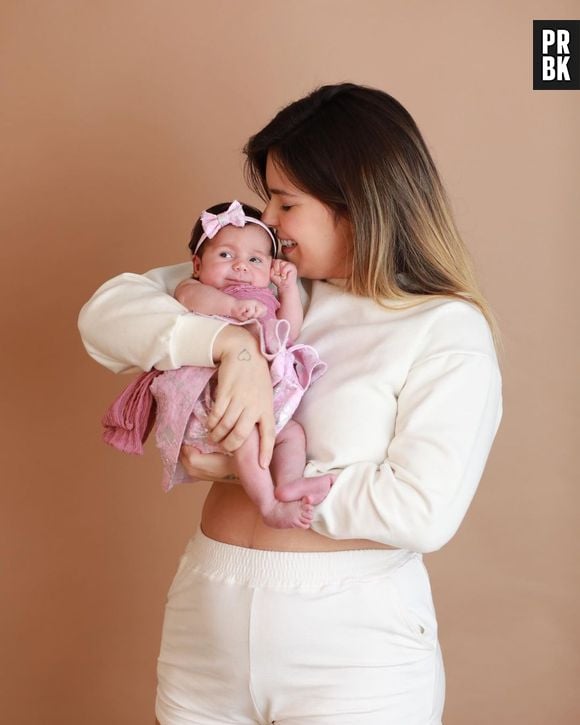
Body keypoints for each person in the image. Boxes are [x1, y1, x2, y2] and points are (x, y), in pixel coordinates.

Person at [78, 83, 503, 724]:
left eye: (285, 202)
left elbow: (422, 510)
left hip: (351, 656)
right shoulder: (262, 286)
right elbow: (106, 314)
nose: (265, 222)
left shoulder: (443, 328)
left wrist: (258, 480)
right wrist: (230, 347)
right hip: (206, 627)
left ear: (355, 202)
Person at [109, 198, 333, 528]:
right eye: (226, 255)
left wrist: (286, 290)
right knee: (248, 438)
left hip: (259, 406)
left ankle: (287, 483)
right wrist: (231, 307)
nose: (241, 266)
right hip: (215, 401)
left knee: (292, 434)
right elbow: (194, 300)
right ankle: (268, 505)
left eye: (255, 259)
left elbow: (290, 331)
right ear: (197, 265)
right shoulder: (193, 288)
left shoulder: (266, 298)